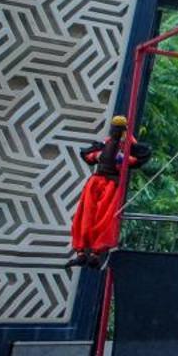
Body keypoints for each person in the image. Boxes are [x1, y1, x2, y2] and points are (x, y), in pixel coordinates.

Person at [67, 114, 151, 268]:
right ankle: (80, 252)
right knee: (85, 214)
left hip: (112, 183)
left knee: (105, 217)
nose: (116, 130)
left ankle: (95, 253)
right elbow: (88, 155)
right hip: (96, 181)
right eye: (115, 127)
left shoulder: (129, 145)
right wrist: (97, 155)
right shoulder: (105, 143)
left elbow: (141, 157)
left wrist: (124, 158)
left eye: (119, 128)